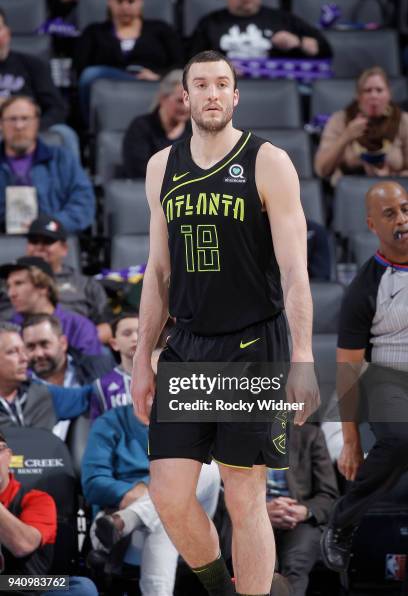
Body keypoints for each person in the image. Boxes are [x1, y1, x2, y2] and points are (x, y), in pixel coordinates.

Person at [132, 50, 318, 596]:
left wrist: (303, 357)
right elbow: (159, 271)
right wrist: (143, 357)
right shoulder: (161, 166)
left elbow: (294, 270)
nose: (213, 93)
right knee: (167, 493)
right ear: (184, 96)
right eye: (202, 85)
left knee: (243, 493)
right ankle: (220, 589)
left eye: (223, 84)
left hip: (254, 344)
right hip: (187, 346)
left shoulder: (268, 160)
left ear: (236, 95)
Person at [321, 180, 408, 573]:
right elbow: (348, 367)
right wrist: (351, 439)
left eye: (406, 209)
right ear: (372, 225)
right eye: (390, 214)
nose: (403, 219)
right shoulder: (365, 287)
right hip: (386, 376)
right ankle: (342, 522)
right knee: (402, 436)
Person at [82, 404, 221, 596]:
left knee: (207, 468)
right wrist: (131, 490)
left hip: (191, 525)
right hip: (118, 532)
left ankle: (129, 518)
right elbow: (92, 484)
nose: (154, 394)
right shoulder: (109, 423)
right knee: (168, 517)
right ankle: (135, 516)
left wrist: (152, 490)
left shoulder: (191, 424)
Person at [0, 429, 98, 596]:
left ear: (8, 455)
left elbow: (23, 544)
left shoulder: (37, 500)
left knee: (81, 587)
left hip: (24, 583)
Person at [74, 0, 183, 123]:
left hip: (153, 82)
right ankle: (89, 126)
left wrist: (159, 75)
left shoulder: (161, 29)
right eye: (119, 1)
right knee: (90, 75)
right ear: (109, 1)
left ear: (141, 1)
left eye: (131, 1)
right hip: (109, 84)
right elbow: (80, 67)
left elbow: (179, 63)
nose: (125, 7)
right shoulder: (94, 32)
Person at [0, 96, 95, 234]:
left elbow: (83, 205)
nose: (19, 126)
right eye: (12, 119)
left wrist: (49, 225)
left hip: (51, 242)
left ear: (37, 122)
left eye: (25, 118)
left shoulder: (62, 159)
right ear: (1, 124)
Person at [267, 424, 338, 596]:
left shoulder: (310, 436)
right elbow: (221, 492)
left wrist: (304, 511)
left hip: (299, 520)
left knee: (295, 563)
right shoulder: (236, 436)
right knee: (261, 563)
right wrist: (261, 511)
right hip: (252, 515)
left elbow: (328, 496)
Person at [0, 8, 80, 158]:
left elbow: (57, 108)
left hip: (29, 126)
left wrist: (33, 127)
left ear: (7, 33)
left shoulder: (33, 65)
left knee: (65, 134)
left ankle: (74, 181)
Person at [26, 214, 112, 343]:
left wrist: (80, 342)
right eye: (34, 241)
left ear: (64, 248)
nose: (39, 247)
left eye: (47, 241)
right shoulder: (10, 281)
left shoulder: (86, 284)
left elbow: (108, 327)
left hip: (76, 350)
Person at [314, 66, 408, 186]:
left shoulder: (403, 121)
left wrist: (392, 177)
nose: (374, 95)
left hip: (394, 190)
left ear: (389, 94)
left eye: (379, 90)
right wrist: (346, 136)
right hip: (351, 190)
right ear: (358, 96)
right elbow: (321, 170)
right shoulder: (340, 120)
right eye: (367, 90)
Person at [189, 0, 331, 61]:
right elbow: (191, 62)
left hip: (276, 87)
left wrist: (298, 42)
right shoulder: (210, 23)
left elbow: (326, 50)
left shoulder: (283, 19)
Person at [0, 322, 92, 433]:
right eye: (13, 352)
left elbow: (92, 395)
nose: (24, 358)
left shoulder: (43, 394)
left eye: (23, 351)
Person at [0, 256, 102, 356]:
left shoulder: (78, 327)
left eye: (19, 283)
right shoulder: (7, 331)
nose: (11, 293)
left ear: (43, 287)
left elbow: (91, 370)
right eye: (9, 286)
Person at [123, 70, 191, 178]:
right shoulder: (141, 127)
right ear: (163, 98)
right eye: (179, 101)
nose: (185, 107)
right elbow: (138, 171)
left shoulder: (195, 131)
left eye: (189, 101)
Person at [22, 313, 113, 386]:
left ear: (63, 343)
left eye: (45, 344)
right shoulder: (19, 387)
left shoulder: (99, 369)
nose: (38, 354)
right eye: (31, 347)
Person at [90, 312, 138, 420]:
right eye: (127, 333)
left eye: (141, 332)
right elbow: (97, 430)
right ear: (114, 344)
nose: (135, 338)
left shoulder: (167, 378)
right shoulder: (101, 386)